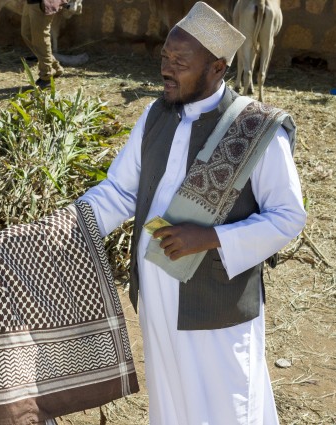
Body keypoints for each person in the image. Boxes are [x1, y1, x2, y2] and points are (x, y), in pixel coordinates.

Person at [78, 2, 307, 424]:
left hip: (216, 301)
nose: (166, 69)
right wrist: (68, 225)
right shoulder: (153, 116)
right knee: (172, 402)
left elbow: (287, 216)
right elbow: (118, 192)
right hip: (157, 298)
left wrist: (211, 238)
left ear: (217, 68)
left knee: (228, 403)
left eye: (180, 62)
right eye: (165, 58)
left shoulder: (255, 129)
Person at [21, 0, 65, 88]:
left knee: (40, 37)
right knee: (27, 33)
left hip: (42, 3)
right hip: (31, 2)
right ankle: (55, 67)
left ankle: (47, 76)